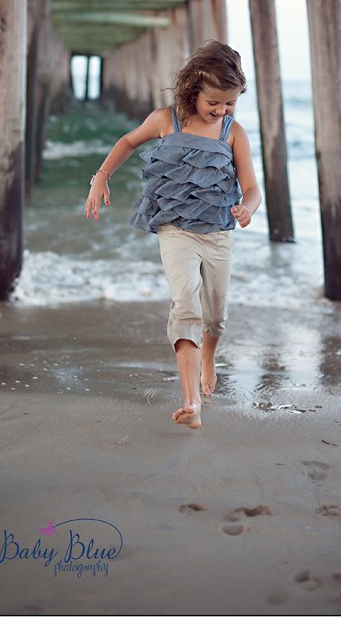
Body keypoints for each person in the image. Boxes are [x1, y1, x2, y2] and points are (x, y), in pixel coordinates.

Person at [85, 41, 262, 430]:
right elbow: (128, 141)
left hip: (217, 234)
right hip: (175, 229)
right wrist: (101, 176)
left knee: (215, 317)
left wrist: (248, 208)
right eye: (214, 102)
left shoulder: (233, 133)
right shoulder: (166, 120)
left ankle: (208, 356)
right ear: (194, 88)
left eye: (230, 104)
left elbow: (252, 187)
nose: (221, 110)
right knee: (186, 306)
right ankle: (190, 401)